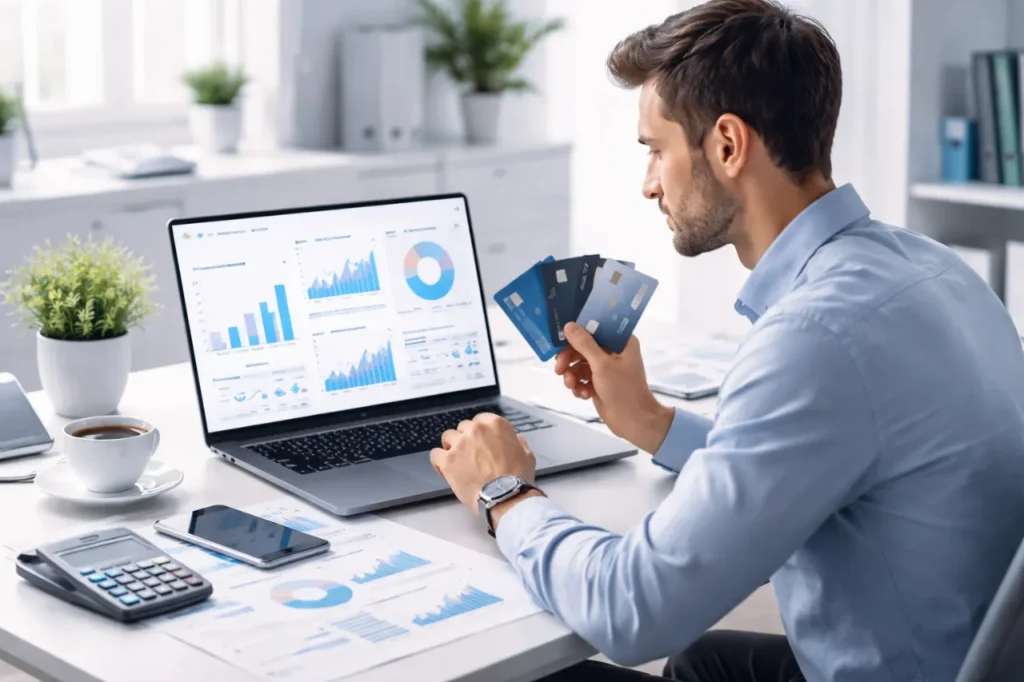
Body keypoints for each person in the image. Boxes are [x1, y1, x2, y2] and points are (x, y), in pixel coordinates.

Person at [428, 0, 1024, 680]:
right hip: (959, 654)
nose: (649, 184)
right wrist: (653, 423)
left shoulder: (814, 336)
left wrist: (504, 493)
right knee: (707, 662)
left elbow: (633, 611)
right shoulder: (934, 269)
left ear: (728, 145)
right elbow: (825, 452)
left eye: (655, 150)